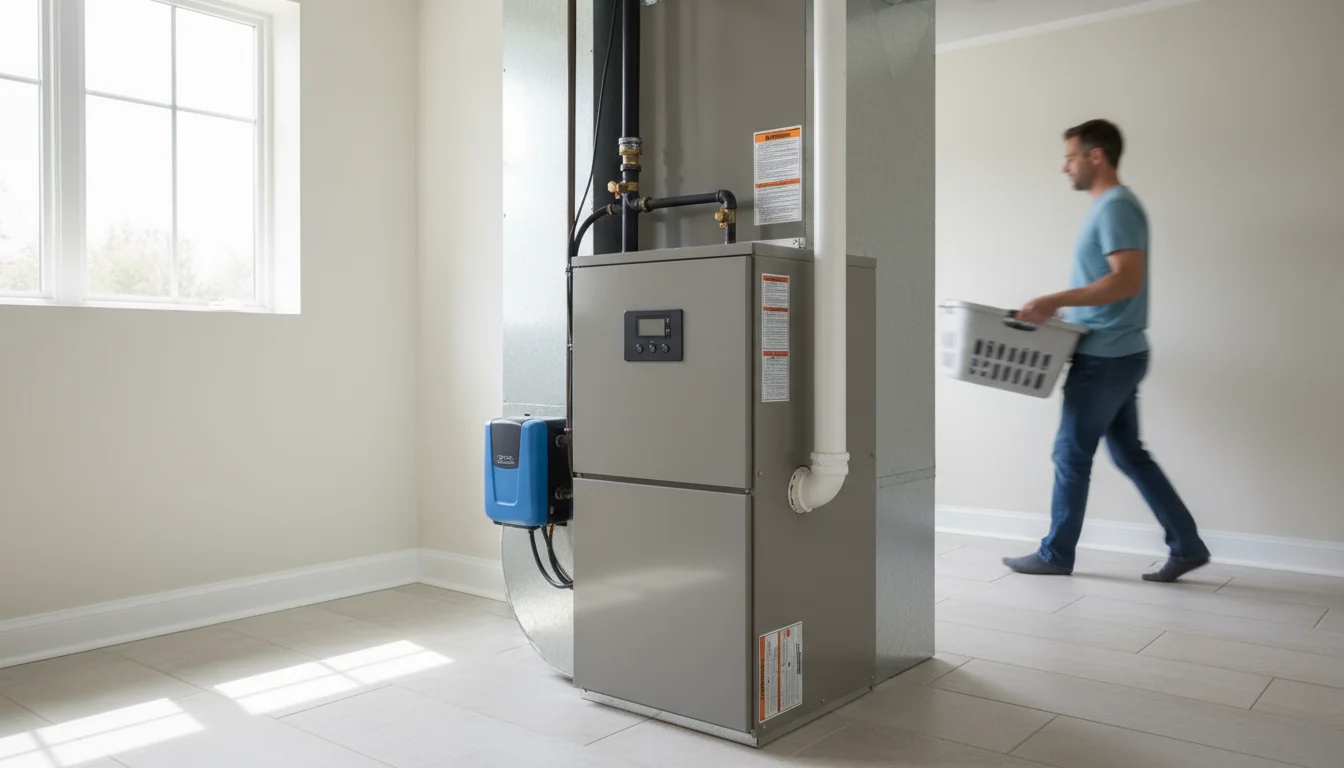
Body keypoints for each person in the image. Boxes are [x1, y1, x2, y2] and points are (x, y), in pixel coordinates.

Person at [1003, 119, 1211, 583]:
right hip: (1117, 352)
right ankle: (1188, 545)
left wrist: (1055, 299)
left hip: (1106, 359)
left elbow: (1126, 281)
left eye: (1070, 157)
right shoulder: (1110, 207)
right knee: (1129, 454)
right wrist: (1068, 311)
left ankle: (1056, 555)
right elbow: (1111, 286)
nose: (1064, 167)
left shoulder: (1116, 207)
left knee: (1071, 455)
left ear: (1096, 156)